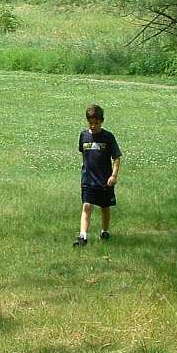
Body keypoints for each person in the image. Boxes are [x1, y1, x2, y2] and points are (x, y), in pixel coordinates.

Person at [74, 104, 121, 247]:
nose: (93, 126)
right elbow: (84, 154)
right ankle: (83, 236)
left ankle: (104, 231)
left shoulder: (108, 137)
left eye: (96, 123)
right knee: (87, 206)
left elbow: (116, 157)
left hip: (105, 180)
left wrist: (113, 175)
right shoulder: (83, 135)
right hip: (88, 179)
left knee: (104, 207)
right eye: (91, 123)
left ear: (102, 121)